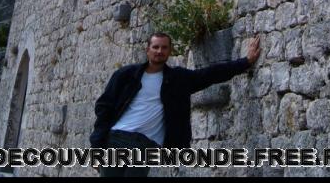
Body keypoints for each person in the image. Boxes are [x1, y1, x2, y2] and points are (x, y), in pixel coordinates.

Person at [89, 32, 261, 177]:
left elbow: (210, 74)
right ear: (147, 50)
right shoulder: (126, 75)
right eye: (155, 47)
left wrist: (245, 61)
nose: (159, 51)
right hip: (118, 139)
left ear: (169, 51)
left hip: (146, 146)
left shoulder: (178, 79)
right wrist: (96, 147)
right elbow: (104, 108)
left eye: (164, 48)